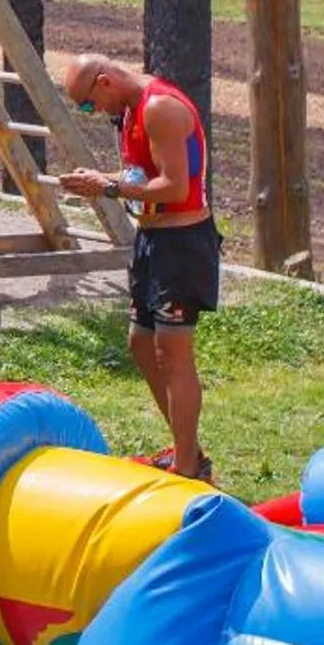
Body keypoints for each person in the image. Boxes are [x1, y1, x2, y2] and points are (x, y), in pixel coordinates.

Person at [58, 51, 218, 481]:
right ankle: (188, 449)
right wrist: (100, 179)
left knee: (172, 353)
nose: (93, 112)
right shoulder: (130, 109)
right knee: (142, 343)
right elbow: (141, 174)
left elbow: (174, 186)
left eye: (88, 104)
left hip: (182, 244)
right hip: (152, 240)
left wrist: (108, 188)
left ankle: (188, 468)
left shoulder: (159, 108)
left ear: (104, 81)